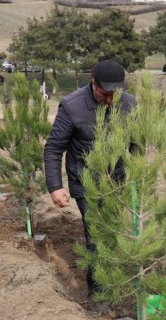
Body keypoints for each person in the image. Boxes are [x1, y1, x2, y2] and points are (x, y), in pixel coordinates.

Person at [43, 59, 137, 295]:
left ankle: (115, 283)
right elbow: (54, 147)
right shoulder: (72, 106)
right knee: (96, 236)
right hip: (86, 182)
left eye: (115, 94)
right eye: (105, 94)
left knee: (115, 233)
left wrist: (137, 174)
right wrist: (55, 186)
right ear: (93, 84)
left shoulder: (128, 103)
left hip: (116, 181)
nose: (110, 100)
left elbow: (136, 145)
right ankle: (98, 292)